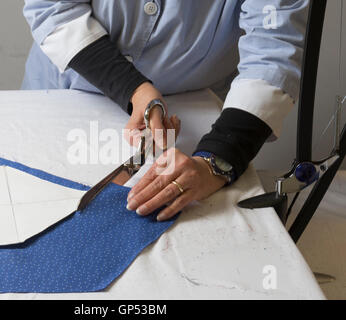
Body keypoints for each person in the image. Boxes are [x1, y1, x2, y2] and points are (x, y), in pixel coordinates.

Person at [22, 0, 308, 221]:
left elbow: (273, 53)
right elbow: (53, 8)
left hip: (195, 106)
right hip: (67, 90)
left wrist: (216, 161)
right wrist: (135, 89)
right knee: (31, 208)